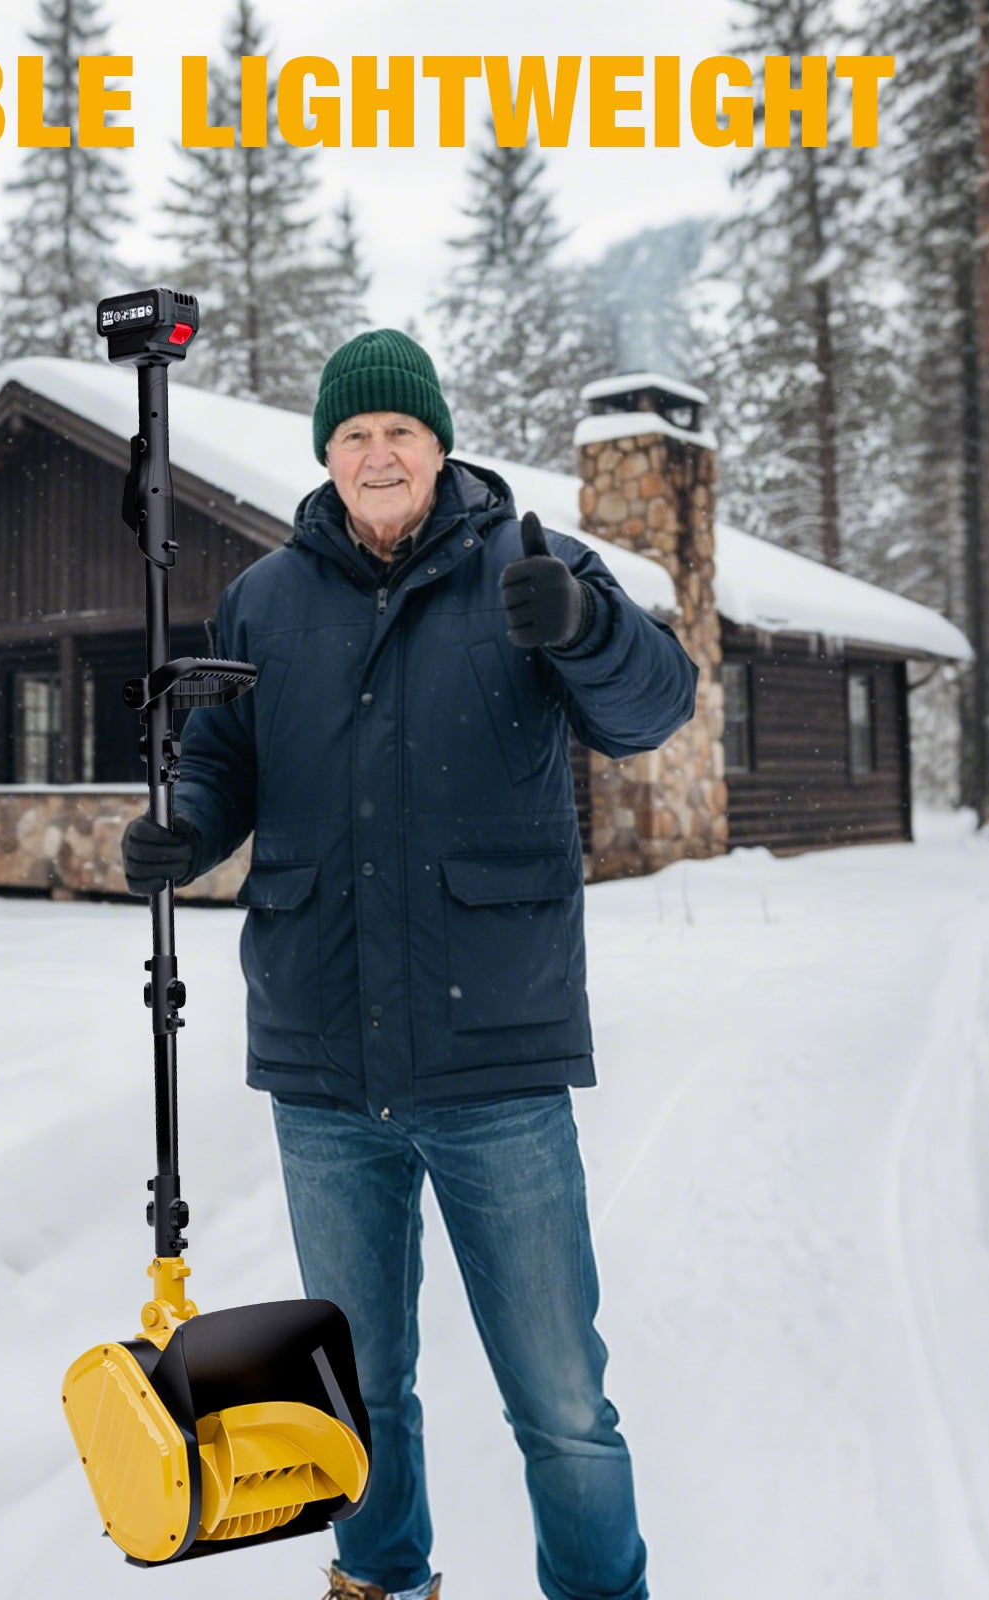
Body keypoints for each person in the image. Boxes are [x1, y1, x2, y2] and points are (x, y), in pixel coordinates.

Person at [122, 330, 698, 1600]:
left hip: (493, 1055)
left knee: (558, 1395)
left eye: (400, 432)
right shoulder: (265, 599)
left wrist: (587, 624)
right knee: (358, 1384)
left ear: (439, 444)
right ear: (325, 455)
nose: (377, 454)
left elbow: (655, 707)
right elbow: (223, 764)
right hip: (325, 1064)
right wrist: (186, 828)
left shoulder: (529, 564)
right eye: (353, 436)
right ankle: (379, 1580)